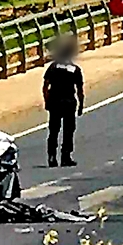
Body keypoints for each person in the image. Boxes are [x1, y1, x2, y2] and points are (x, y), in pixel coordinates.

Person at [43, 36, 84, 167]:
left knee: (53, 131)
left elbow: (45, 86)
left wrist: (46, 101)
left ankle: (51, 157)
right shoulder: (75, 69)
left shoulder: (53, 67)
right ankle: (66, 157)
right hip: (69, 103)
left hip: (54, 102)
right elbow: (80, 90)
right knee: (68, 130)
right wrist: (81, 106)